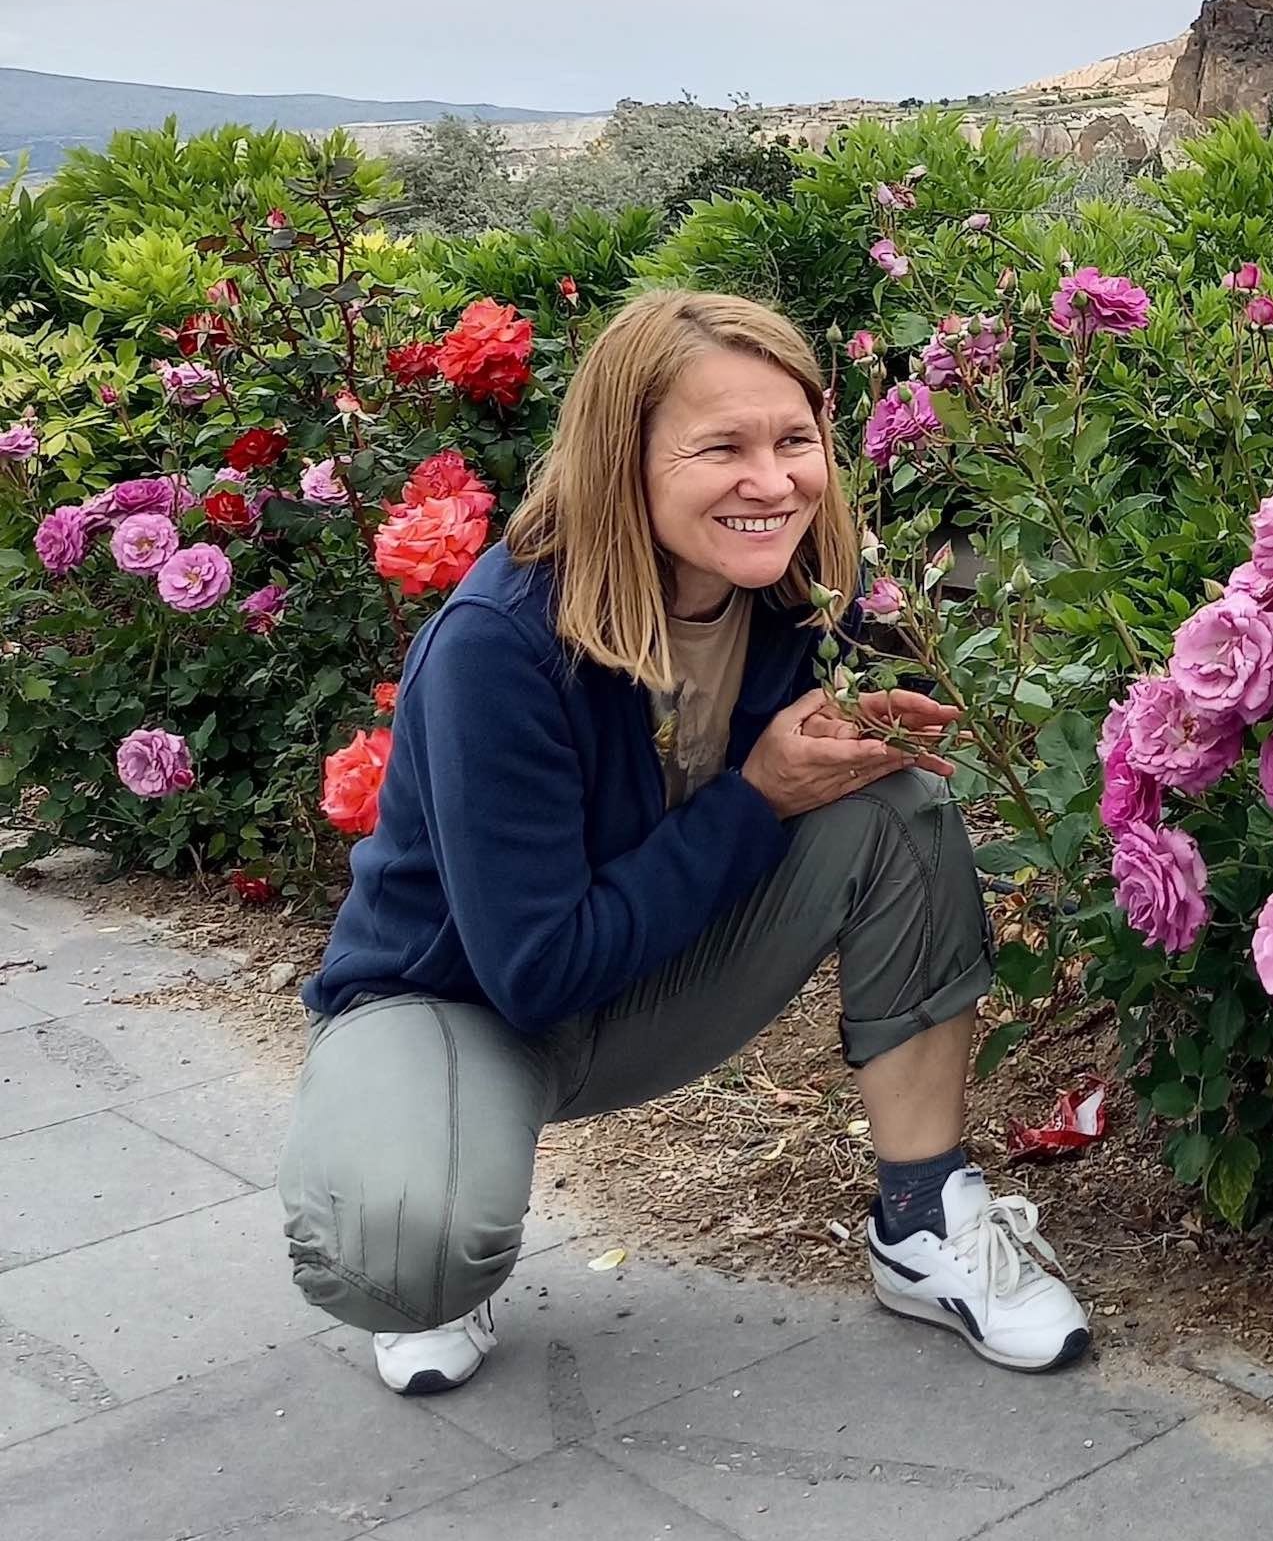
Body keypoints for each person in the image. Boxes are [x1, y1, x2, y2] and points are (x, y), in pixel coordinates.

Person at [277, 289, 1089, 1392]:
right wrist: (757, 796)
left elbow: (973, 684)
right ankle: (426, 1158)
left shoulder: (801, 594)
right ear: (626, 458)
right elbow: (534, 971)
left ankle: (922, 1220)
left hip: (646, 977)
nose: (773, 482)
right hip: (458, 998)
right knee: (407, 1257)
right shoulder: (500, 645)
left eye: (794, 439)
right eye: (722, 448)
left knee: (897, 805)